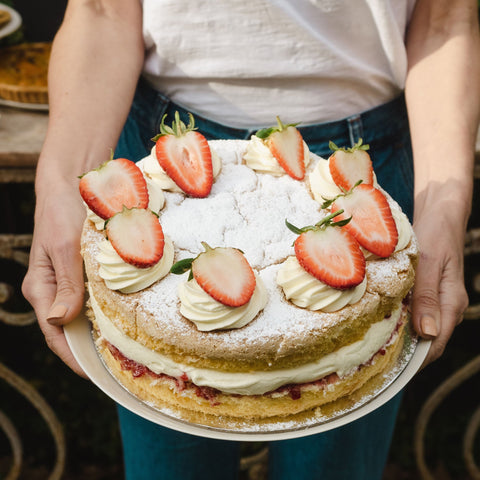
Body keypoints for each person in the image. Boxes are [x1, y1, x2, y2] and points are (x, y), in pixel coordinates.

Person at [22, 0, 480, 479]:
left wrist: (444, 207)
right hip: (166, 163)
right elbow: (102, 11)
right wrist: (60, 183)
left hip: (362, 178)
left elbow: (445, 20)